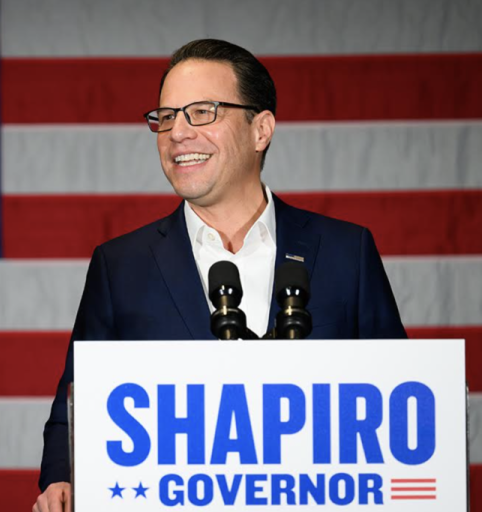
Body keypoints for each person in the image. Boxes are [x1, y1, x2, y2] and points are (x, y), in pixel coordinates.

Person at [31, 38, 406, 512]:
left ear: (260, 130)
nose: (177, 133)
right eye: (167, 116)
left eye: (201, 112)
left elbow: (402, 398)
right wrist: (61, 480)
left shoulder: (346, 252)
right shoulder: (120, 265)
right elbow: (76, 404)